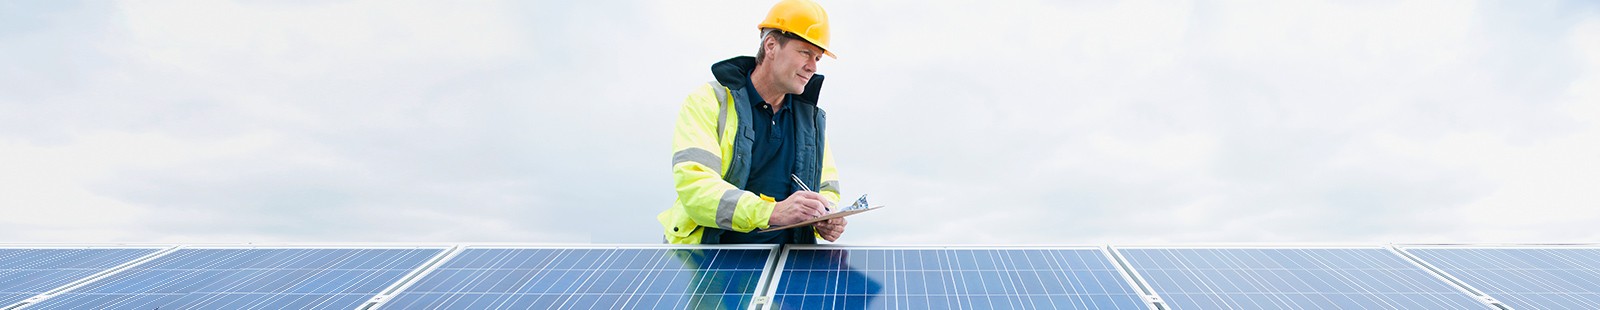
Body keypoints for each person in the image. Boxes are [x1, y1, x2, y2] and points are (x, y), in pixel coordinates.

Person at [659, 0, 846, 244]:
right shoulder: (709, 101)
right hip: (712, 263)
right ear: (771, 46)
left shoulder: (809, 120)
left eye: (818, 58)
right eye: (805, 53)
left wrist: (826, 216)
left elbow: (827, 189)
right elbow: (696, 188)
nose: (812, 66)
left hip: (786, 268)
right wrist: (773, 212)